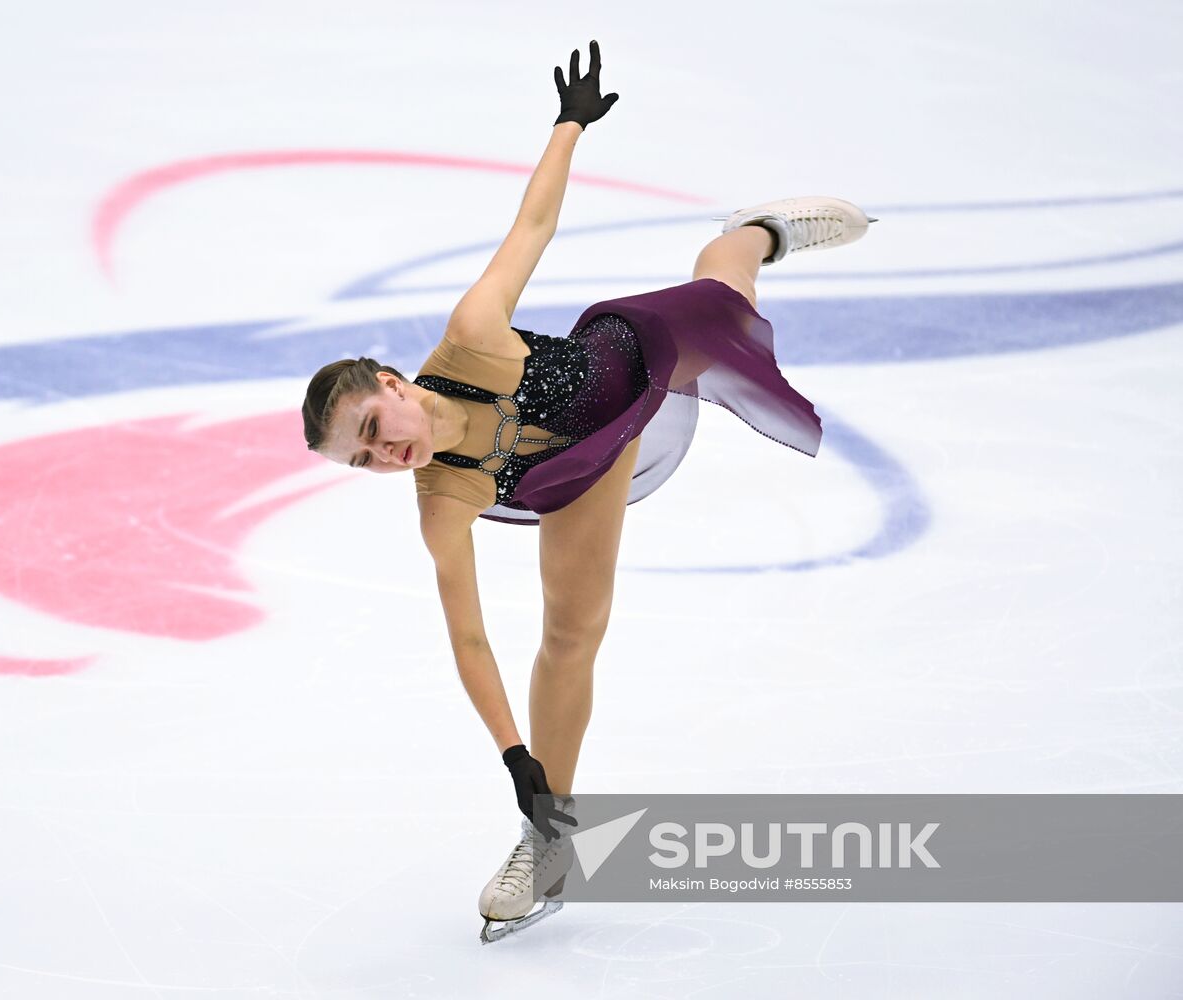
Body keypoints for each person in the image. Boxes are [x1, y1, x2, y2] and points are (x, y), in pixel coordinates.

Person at [300, 39, 876, 943]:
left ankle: (762, 229)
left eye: (375, 430)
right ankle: (551, 836)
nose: (383, 458)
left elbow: (531, 231)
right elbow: (469, 638)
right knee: (571, 634)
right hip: (579, 466)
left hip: (632, 358)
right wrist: (516, 759)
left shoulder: (471, 337)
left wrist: (566, 126)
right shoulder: (441, 501)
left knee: (725, 280)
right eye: (361, 462)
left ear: (394, 382)